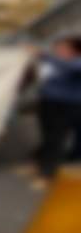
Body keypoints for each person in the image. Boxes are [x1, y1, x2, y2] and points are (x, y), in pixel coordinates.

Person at [31, 36, 81, 190]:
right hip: (47, 103)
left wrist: (44, 55)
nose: (58, 50)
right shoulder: (54, 62)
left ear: (75, 50)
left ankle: (47, 173)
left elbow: (71, 68)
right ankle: (42, 163)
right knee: (47, 135)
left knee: (56, 138)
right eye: (58, 47)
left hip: (67, 105)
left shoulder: (75, 62)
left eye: (63, 47)